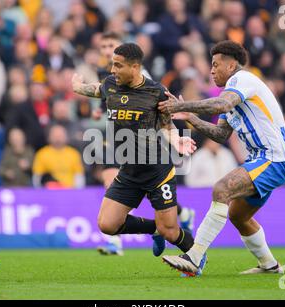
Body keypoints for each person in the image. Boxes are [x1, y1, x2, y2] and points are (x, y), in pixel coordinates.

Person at [158, 40, 285, 276]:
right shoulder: (232, 94)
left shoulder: (242, 80)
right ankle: (270, 265)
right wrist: (190, 117)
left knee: (221, 189)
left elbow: (222, 105)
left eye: (215, 64)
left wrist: (182, 104)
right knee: (238, 215)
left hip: (274, 158)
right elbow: (221, 134)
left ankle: (193, 256)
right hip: (262, 159)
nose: (211, 70)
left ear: (231, 65)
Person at [72, 42, 197, 259]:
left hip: (156, 171)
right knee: (107, 224)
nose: (113, 70)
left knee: (170, 230)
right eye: (113, 64)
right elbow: (94, 89)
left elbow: (167, 125)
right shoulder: (111, 84)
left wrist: (177, 140)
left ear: (135, 67)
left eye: (118, 66)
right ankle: (155, 230)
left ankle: (197, 255)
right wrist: (77, 87)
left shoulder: (155, 92)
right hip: (129, 172)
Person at [32, 124, 85, 188]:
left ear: (66, 137)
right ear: (49, 137)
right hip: (49, 193)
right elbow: (37, 178)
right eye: (55, 136)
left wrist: (77, 192)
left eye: (60, 136)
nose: (58, 138)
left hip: (70, 191)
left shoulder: (74, 154)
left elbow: (79, 176)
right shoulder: (41, 154)